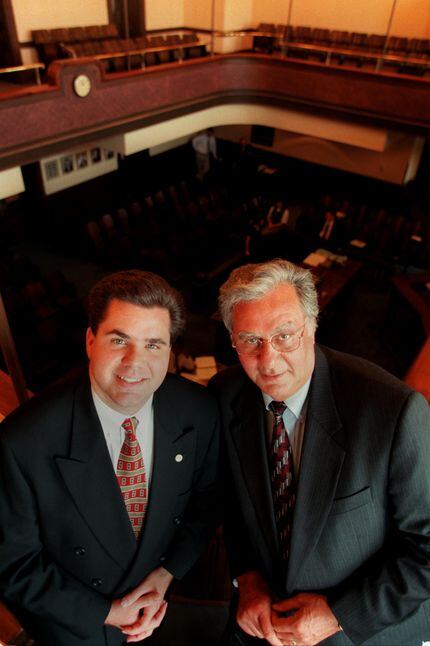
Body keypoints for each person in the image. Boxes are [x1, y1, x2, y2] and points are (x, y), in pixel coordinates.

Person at [210, 259, 430, 646]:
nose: (269, 359)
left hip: (356, 631)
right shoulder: (225, 395)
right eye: (250, 340)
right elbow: (234, 502)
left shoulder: (393, 412)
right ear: (232, 340)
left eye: (284, 335)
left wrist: (339, 615)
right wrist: (246, 577)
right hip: (259, 623)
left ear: (312, 327)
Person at [0, 269, 219, 645]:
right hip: (78, 627)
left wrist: (167, 573)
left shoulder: (198, 411)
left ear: (171, 350)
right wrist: (106, 613)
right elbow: (14, 565)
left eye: (153, 344)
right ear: (90, 340)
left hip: (165, 607)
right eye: (120, 340)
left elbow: (205, 502)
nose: (135, 362)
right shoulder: (21, 441)